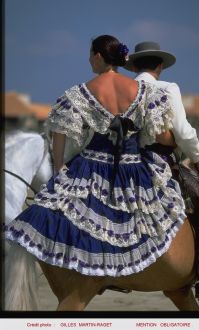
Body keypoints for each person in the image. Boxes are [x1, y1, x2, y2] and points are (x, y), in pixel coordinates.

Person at [4, 35, 187, 291]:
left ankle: (93, 272)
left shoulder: (79, 93)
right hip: (135, 169)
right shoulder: (145, 92)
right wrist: (172, 143)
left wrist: (59, 167)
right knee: (143, 220)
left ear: (99, 57)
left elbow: (61, 131)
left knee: (74, 218)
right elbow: (161, 135)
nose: (89, 60)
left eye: (91, 55)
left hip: (91, 166)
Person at [124, 41, 199, 300]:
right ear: (161, 65)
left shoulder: (125, 88)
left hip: (124, 162)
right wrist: (197, 156)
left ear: (135, 66)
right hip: (158, 161)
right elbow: (183, 131)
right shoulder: (167, 87)